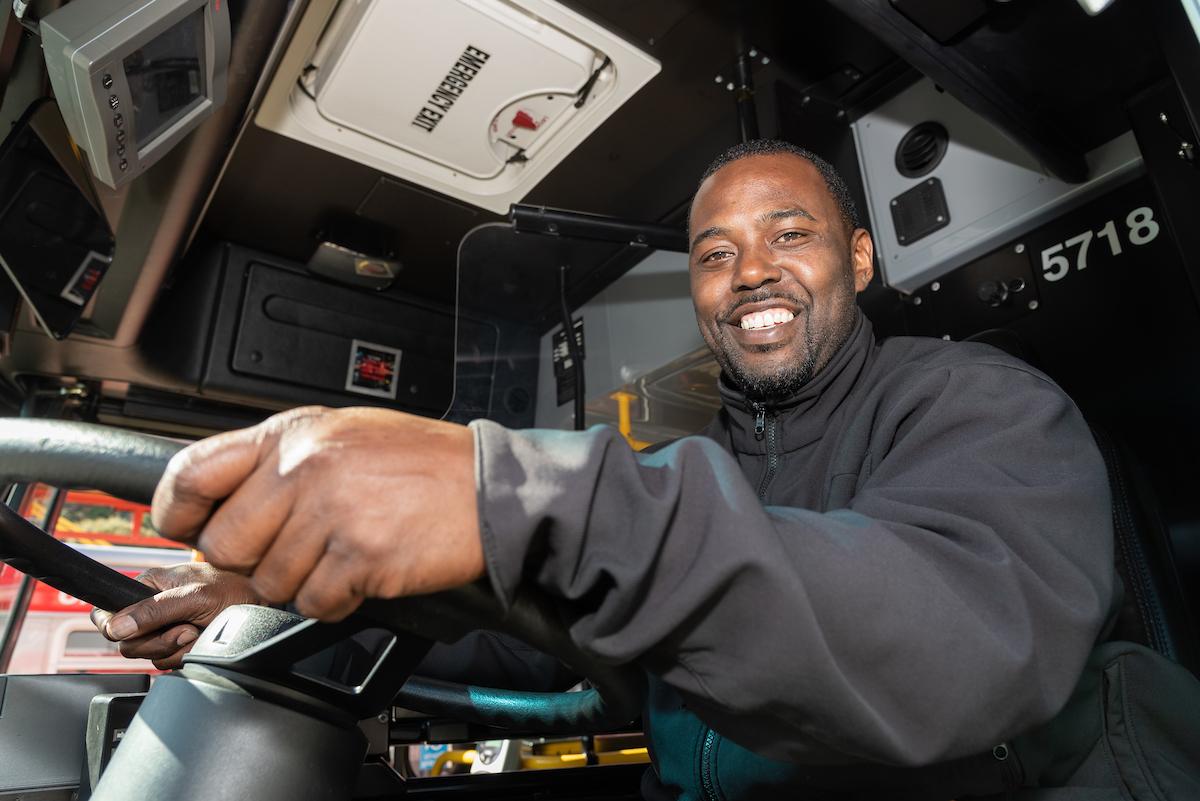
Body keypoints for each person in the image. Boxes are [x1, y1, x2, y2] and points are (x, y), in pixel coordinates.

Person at [94, 140, 1126, 799]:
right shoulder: (689, 470)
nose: (751, 270)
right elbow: (528, 644)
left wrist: (513, 492)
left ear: (858, 259)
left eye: (789, 235)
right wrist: (285, 619)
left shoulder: (978, 402)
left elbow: (960, 638)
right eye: (716, 254)